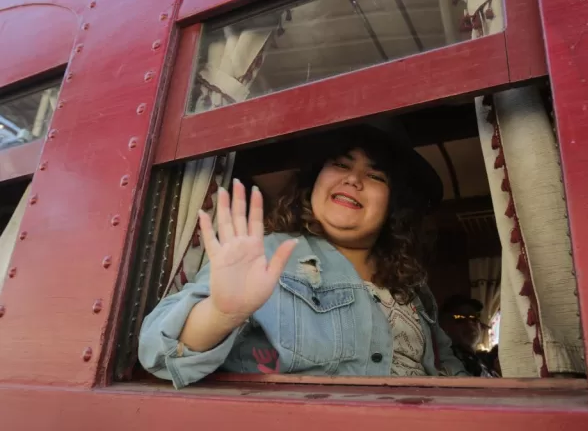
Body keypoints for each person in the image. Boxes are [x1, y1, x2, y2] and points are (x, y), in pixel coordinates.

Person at [138, 125, 468, 388]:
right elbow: (158, 353)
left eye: (375, 176)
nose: (353, 179)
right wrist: (221, 313)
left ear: (393, 205)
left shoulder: (414, 288)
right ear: (314, 182)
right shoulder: (264, 255)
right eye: (341, 164)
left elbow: (449, 370)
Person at [439, 295, 499, 377]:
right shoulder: (446, 359)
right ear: (444, 324)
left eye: (473, 317)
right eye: (459, 317)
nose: (469, 323)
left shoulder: (479, 360)